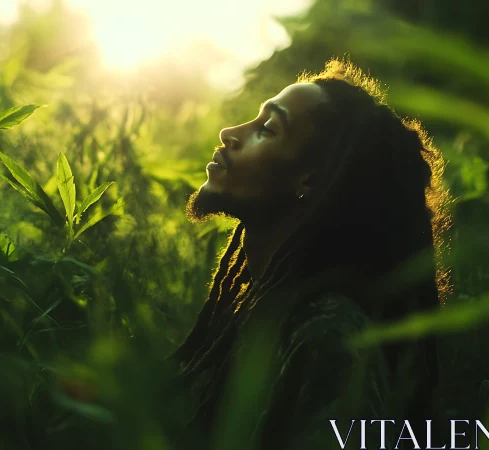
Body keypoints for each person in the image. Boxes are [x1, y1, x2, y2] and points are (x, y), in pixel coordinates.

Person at [167, 58, 452, 450]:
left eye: (267, 128)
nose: (229, 132)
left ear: (311, 180)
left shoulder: (329, 336)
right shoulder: (266, 307)